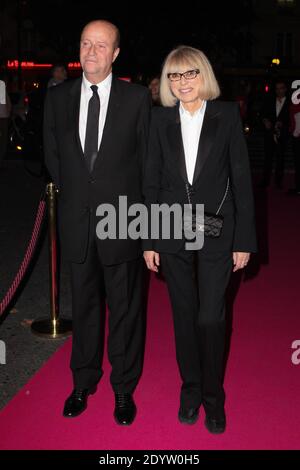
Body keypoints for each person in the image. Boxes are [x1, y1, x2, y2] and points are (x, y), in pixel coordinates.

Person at [143, 46, 257, 434]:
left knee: (210, 317)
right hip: (172, 228)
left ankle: (213, 396)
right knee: (183, 318)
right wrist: (149, 239)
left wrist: (244, 238)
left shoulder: (225, 115)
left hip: (217, 228)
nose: (182, 82)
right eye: (174, 76)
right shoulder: (158, 120)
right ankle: (190, 389)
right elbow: (152, 182)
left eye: (189, 73)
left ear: (202, 75)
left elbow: (241, 180)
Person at [44, 20, 151, 425]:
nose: (91, 52)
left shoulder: (138, 98)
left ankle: (123, 388)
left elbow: (146, 164)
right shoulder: (57, 97)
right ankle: (82, 382)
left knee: (124, 309)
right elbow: (53, 156)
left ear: (116, 53)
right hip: (76, 220)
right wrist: (76, 196)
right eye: (86, 43)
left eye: (101, 45)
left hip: (122, 220)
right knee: (85, 306)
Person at [260, 80, 290, 188]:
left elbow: (292, 119)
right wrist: (265, 121)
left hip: (282, 135)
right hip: (269, 134)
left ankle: (278, 182)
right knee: (267, 158)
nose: (279, 91)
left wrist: (283, 123)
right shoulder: (269, 100)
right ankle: (265, 181)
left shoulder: (290, 103)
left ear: (285, 89)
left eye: (281, 88)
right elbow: (262, 114)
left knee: (280, 159)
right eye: (277, 88)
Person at [288, 100, 300, 195]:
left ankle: (298, 188)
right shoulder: (294, 107)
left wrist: (294, 133)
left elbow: (295, 130)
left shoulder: (295, 107)